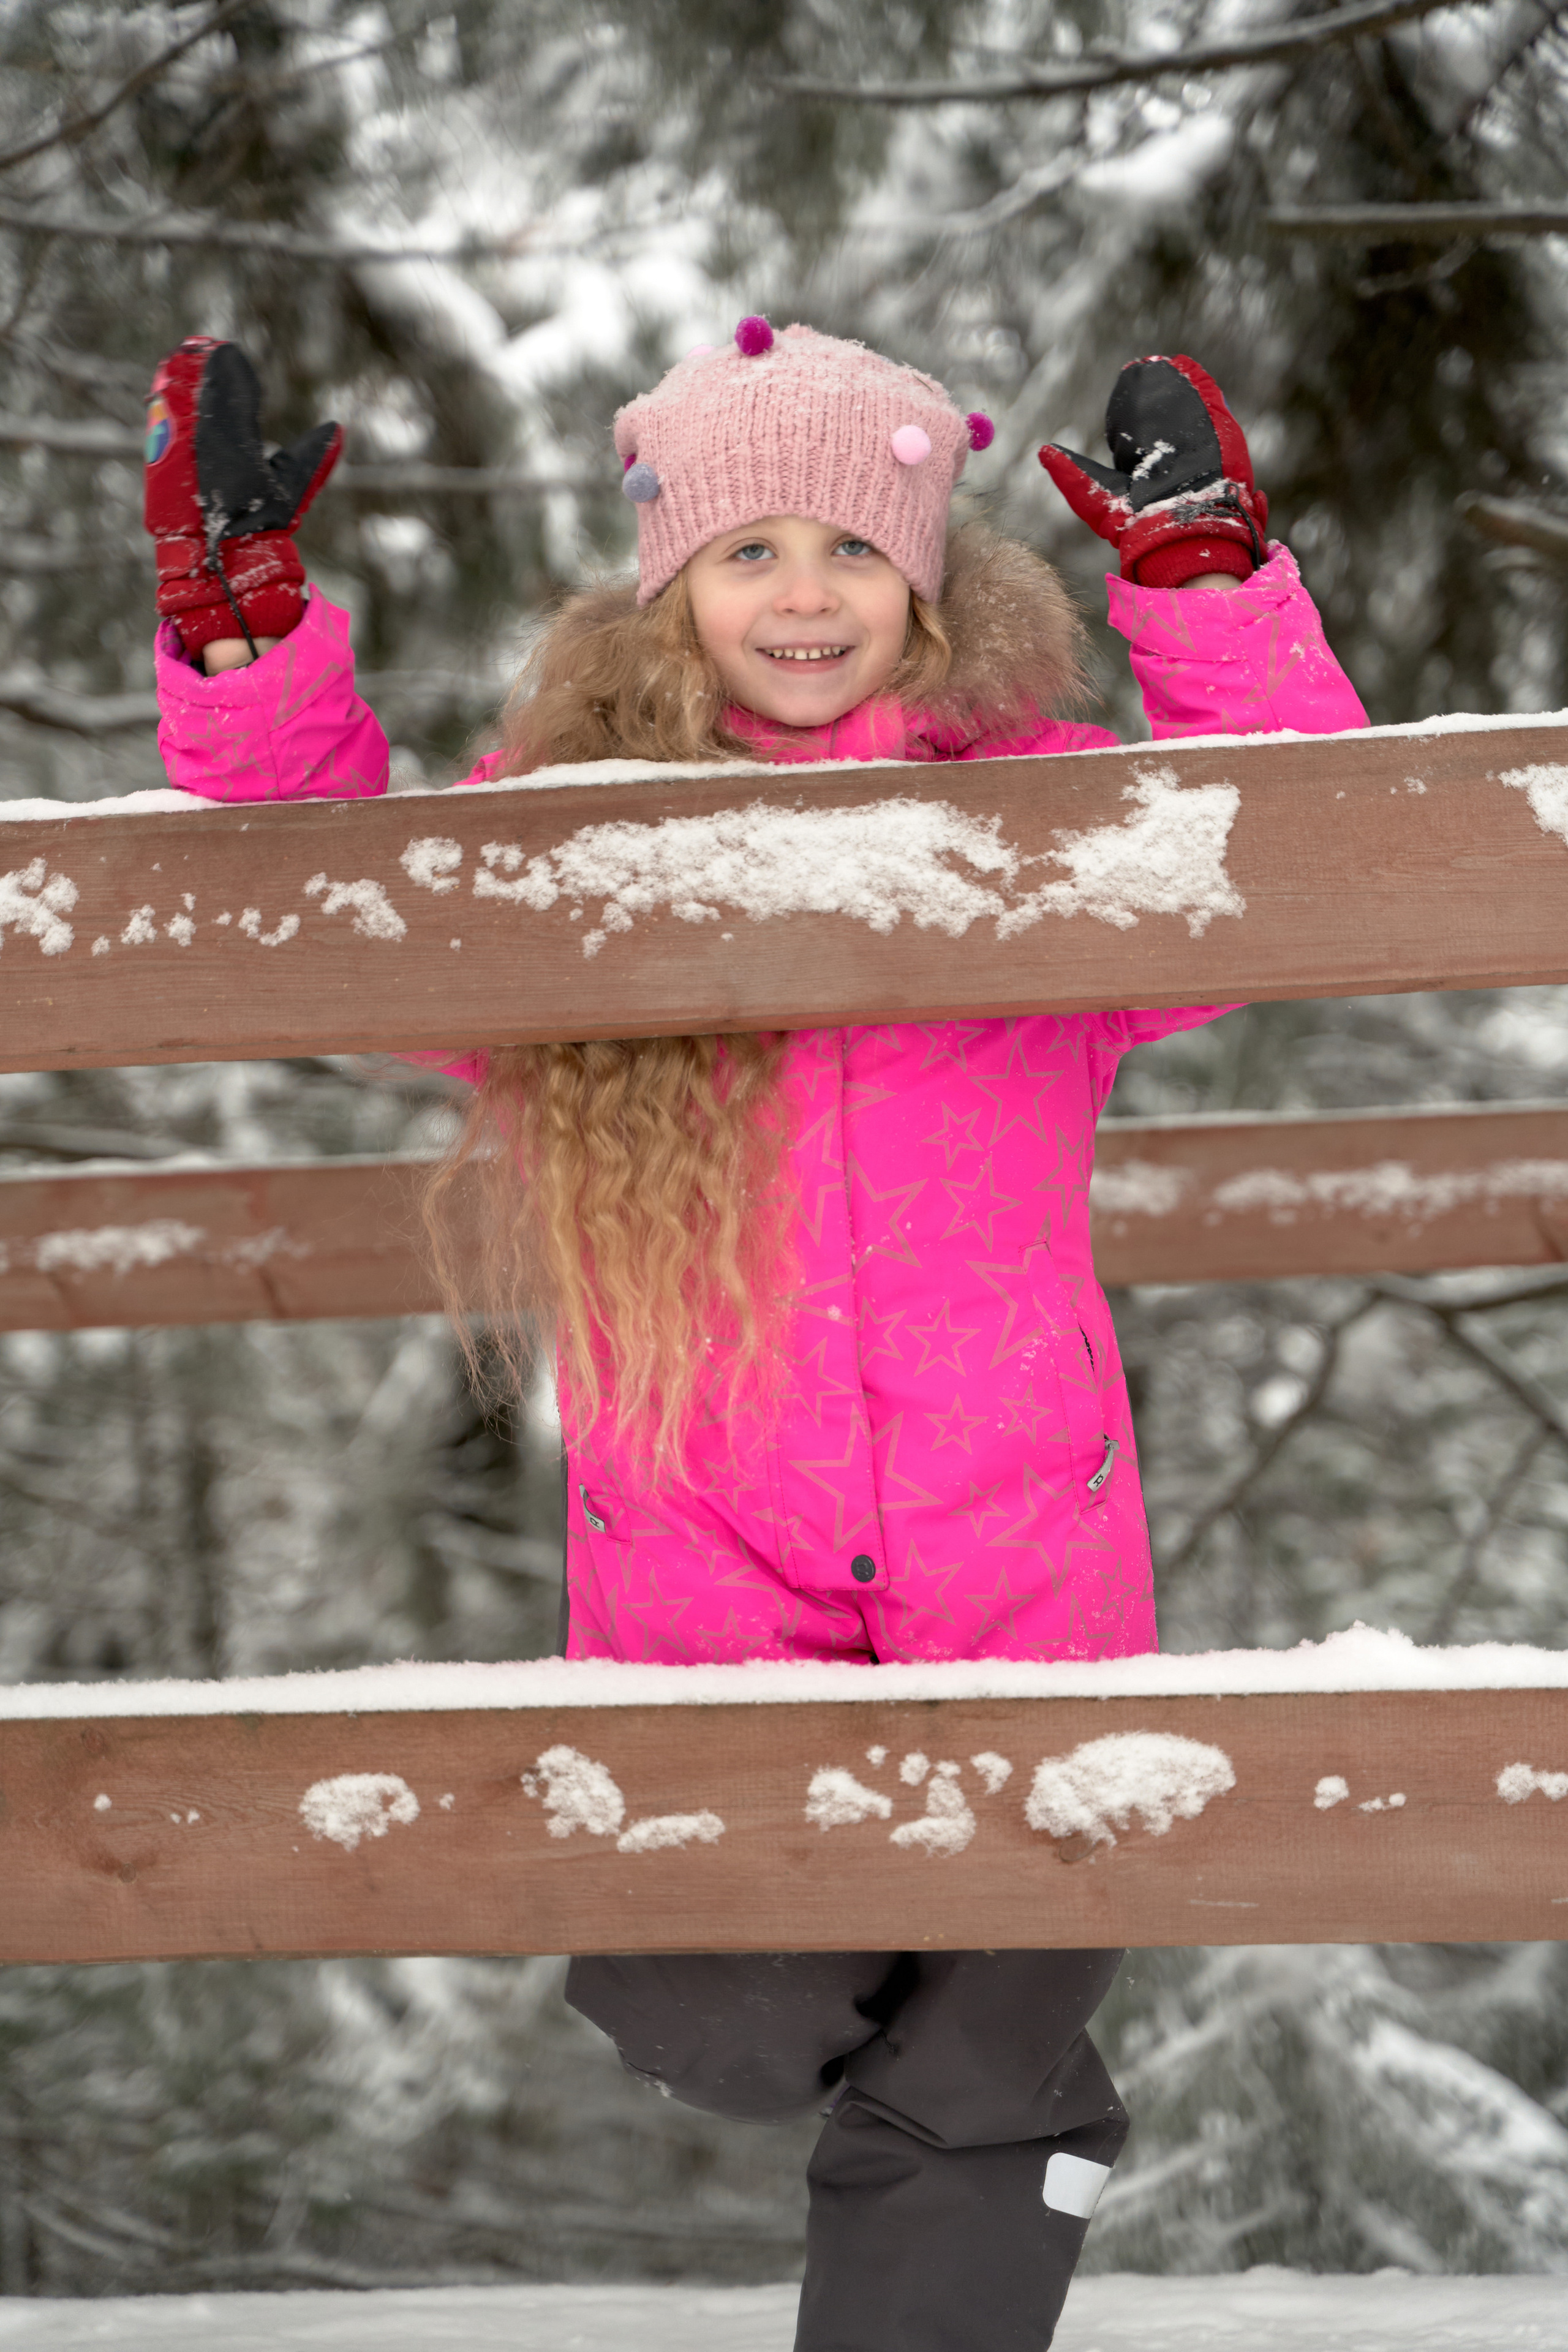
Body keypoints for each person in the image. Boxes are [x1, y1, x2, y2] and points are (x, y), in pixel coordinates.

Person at [146, 322, 1366, 2351]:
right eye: (750, 552)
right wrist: (244, 637)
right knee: (713, 1998)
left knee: (996, 2038)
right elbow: (326, 889)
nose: (806, 595)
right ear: (672, 586)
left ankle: (974, 2170)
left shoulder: (1036, 831)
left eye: (853, 549)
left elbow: (1298, 854)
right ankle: (949, 2083)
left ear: (926, 579)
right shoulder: (576, 847)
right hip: (712, 1558)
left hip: (1017, 1552)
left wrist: (1206, 586)